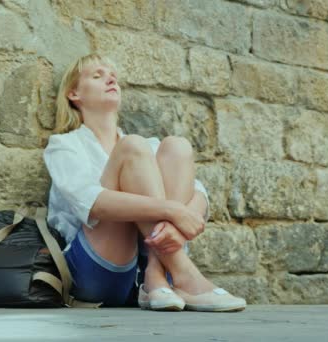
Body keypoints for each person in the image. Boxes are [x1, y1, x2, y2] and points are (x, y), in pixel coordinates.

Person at [43, 54, 246, 312]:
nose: (110, 78)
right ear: (74, 93)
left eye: (112, 74)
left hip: (149, 269)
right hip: (98, 272)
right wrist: (173, 212)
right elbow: (93, 203)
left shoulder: (148, 147)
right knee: (132, 147)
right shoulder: (65, 145)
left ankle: (156, 274)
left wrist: (179, 224)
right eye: (97, 75)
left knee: (177, 146)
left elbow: (199, 194)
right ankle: (184, 274)